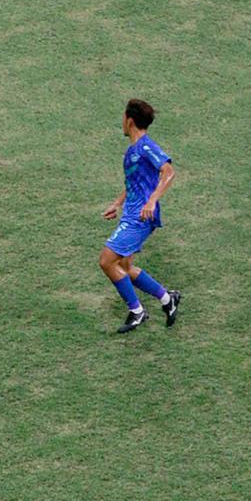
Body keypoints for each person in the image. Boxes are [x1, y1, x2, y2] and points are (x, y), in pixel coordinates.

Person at [100, 99, 181, 334]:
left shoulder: (146, 147)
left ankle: (137, 311)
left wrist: (152, 200)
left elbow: (169, 171)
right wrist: (117, 203)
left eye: (123, 117)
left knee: (106, 261)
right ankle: (167, 299)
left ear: (130, 121)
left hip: (141, 216)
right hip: (131, 213)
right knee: (124, 266)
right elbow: (134, 184)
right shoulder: (132, 151)